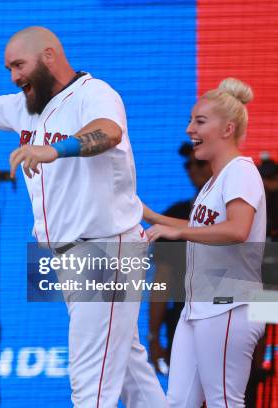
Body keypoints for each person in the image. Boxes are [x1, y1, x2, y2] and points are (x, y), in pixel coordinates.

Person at [0, 27, 166, 407]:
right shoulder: (30, 106)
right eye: (9, 68)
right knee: (129, 373)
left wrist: (55, 151)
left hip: (105, 251)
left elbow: (107, 131)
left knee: (91, 385)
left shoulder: (94, 93)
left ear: (49, 55)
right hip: (77, 254)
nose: (13, 76)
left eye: (19, 65)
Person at [143, 78, 266, 407]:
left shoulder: (241, 170)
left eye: (199, 121)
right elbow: (198, 226)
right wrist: (151, 215)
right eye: (190, 120)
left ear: (227, 129)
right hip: (197, 308)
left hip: (229, 304)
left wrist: (178, 232)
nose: (188, 129)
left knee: (224, 401)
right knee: (179, 402)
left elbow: (237, 230)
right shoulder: (215, 181)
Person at [147, 143, 211, 374]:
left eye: (200, 162)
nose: (193, 169)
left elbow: (261, 276)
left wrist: (261, 326)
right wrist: (153, 336)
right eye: (188, 165)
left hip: (233, 318)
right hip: (185, 319)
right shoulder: (174, 214)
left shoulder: (240, 213)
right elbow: (161, 281)